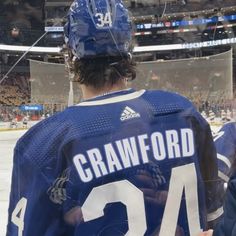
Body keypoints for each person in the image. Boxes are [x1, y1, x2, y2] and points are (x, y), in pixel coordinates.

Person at [7, 0, 222, 235]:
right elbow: (214, 222)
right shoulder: (184, 113)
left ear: (70, 56)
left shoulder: (43, 144)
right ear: (129, 47)